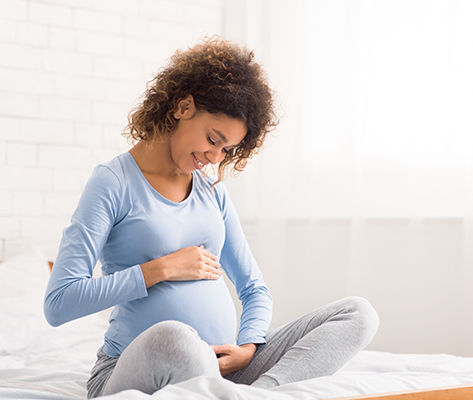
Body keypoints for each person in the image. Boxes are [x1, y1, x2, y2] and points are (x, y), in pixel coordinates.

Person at [43, 37, 379, 398]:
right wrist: (162, 268)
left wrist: (248, 347)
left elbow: (254, 289)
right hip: (140, 367)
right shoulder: (113, 183)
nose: (215, 158)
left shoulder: (211, 190)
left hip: (225, 370)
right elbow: (59, 302)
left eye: (227, 149)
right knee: (175, 338)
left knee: (358, 314)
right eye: (212, 139)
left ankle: (255, 394)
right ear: (183, 106)